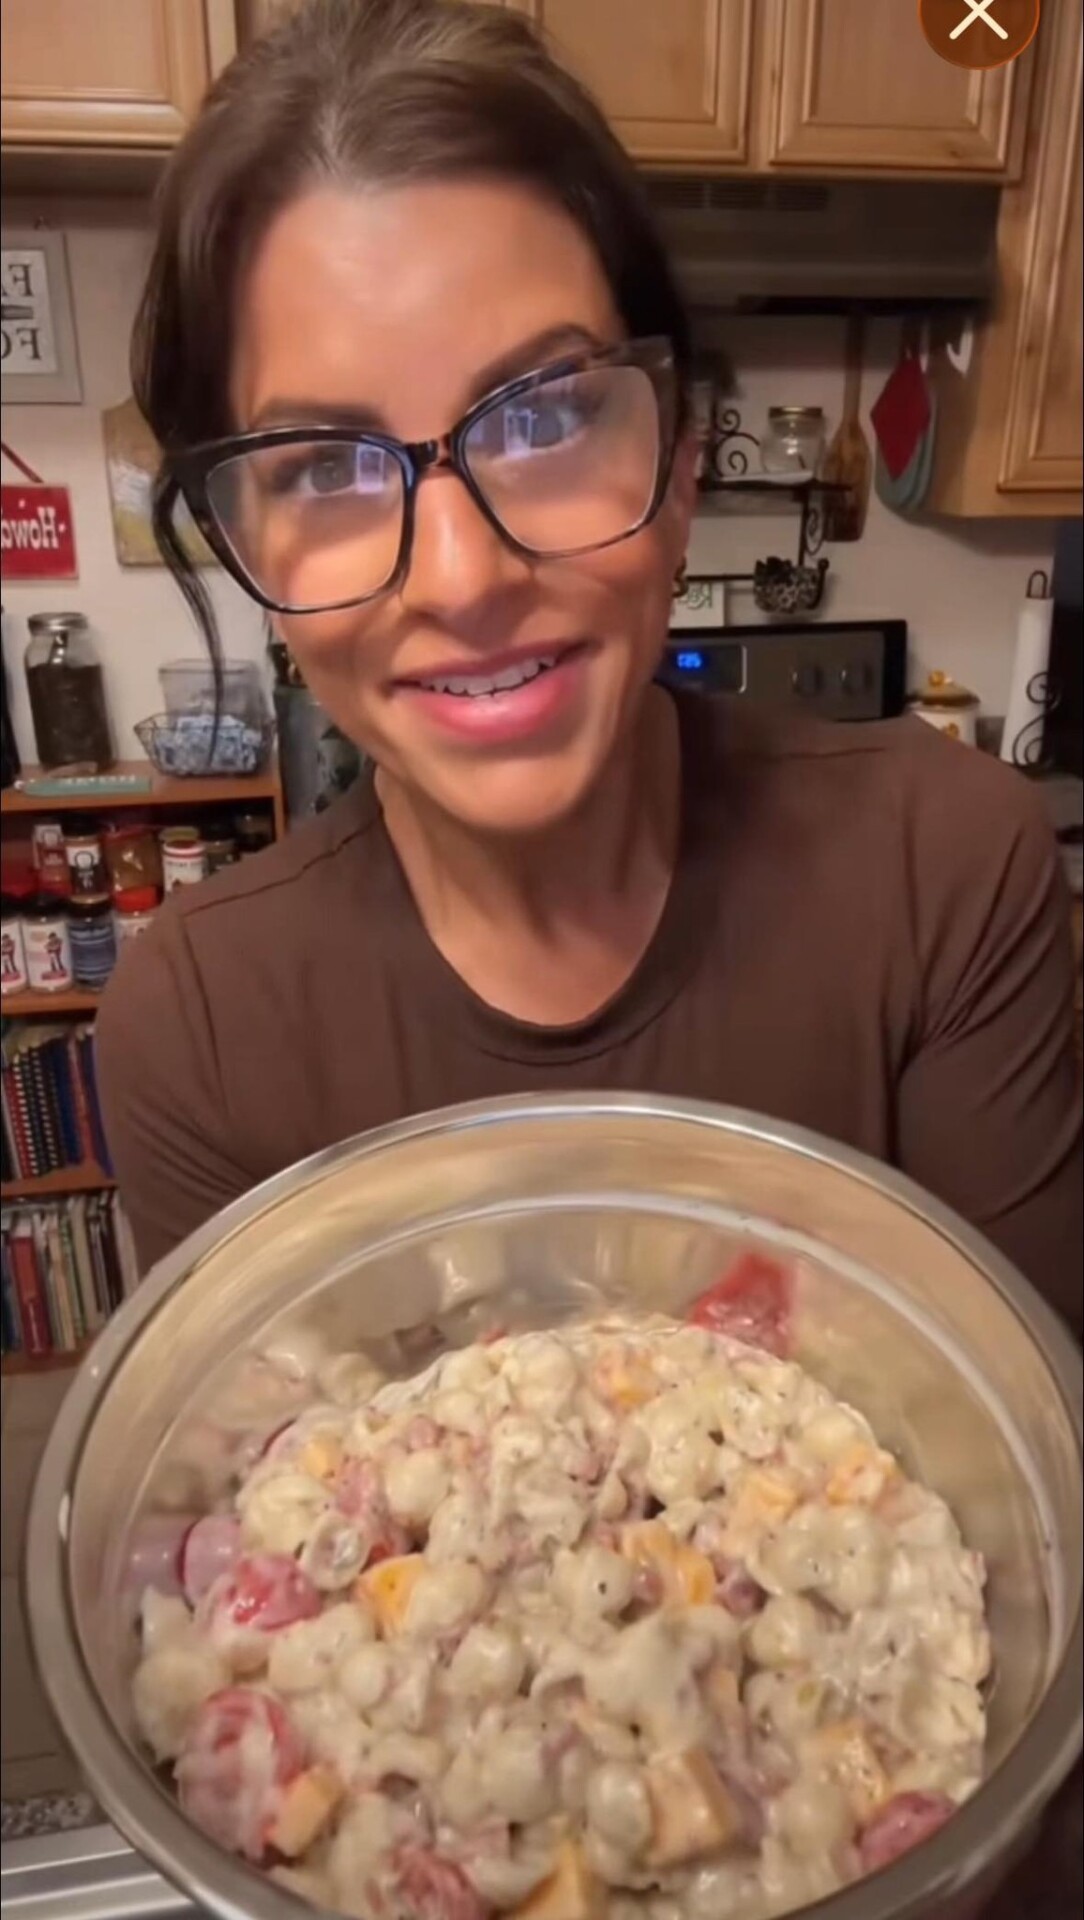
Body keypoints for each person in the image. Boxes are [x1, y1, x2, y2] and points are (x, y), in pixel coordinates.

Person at [97, 0, 1082, 1332]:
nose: (463, 578)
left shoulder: (948, 868)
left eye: (547, 414)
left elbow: (1015, 1454)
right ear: (244, 551)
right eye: (323, 466)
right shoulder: (203, 1023)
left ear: (681, 463)